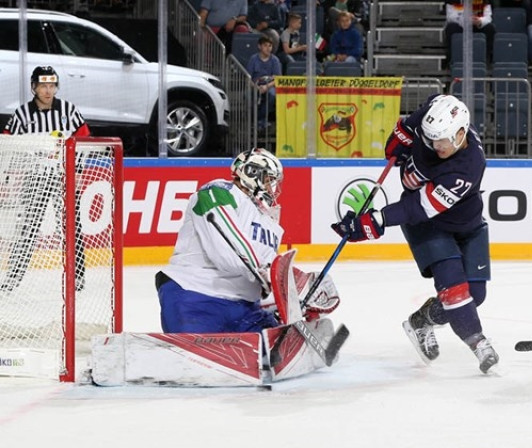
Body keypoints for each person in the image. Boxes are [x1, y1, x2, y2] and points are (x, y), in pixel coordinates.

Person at [331, 94, 499, 374]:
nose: (436, 146)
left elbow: (416, 207)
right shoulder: (436, 115)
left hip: (463, 225)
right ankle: (478, 343)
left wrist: (375, 220)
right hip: (429, 228)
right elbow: (415, 120)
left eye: (442, 141)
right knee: (455, 291)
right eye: (431, 139)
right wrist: (403, 133)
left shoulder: (468, 167)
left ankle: (421, 321)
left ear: (461, 133)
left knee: (476, 295)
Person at [155, 148, 341, 378]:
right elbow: (227, 253)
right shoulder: (219, 192)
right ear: (251, 173)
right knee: (195, 368)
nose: (273, 188)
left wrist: (297, 292)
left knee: (273, 357)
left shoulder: (270, 223)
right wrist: (266, 274)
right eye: (269, 179)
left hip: (244, 310)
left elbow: (269, 273)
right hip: (195, 297)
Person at [1, 66, 90, 293]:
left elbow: (85, 141)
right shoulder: (22, 115)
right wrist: (8, 175)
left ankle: (77, 276)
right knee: (28, 228)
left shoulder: (69, 111)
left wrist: (77, 171)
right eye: (43, 86)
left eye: (52, 85)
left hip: (64, 177)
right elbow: (7, 143)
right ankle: (13, 277)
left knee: (72, 227)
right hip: (35, 178)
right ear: (34, 87)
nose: (48, 90)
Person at [245, 35, 282, 129]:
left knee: (272, 95)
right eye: (265, 45)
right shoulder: (253, 59)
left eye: (270, 46)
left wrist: (267, 87)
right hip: (255, 86)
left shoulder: (275, 60)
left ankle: (261, 120)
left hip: (269, 86)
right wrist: (256, 87)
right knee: (250, 95)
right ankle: (253, 120)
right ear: (259, 46)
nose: (268, 48)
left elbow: (277, 79)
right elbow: (248, 78)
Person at [444, 0, 496, 65]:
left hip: (477, 25)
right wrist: (465, 20)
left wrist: (480, 21)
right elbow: (450, 17)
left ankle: (486, 59)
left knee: (490, 28)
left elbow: (488, 17)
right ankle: (452, 59)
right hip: (460, 24)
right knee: (451, 27)